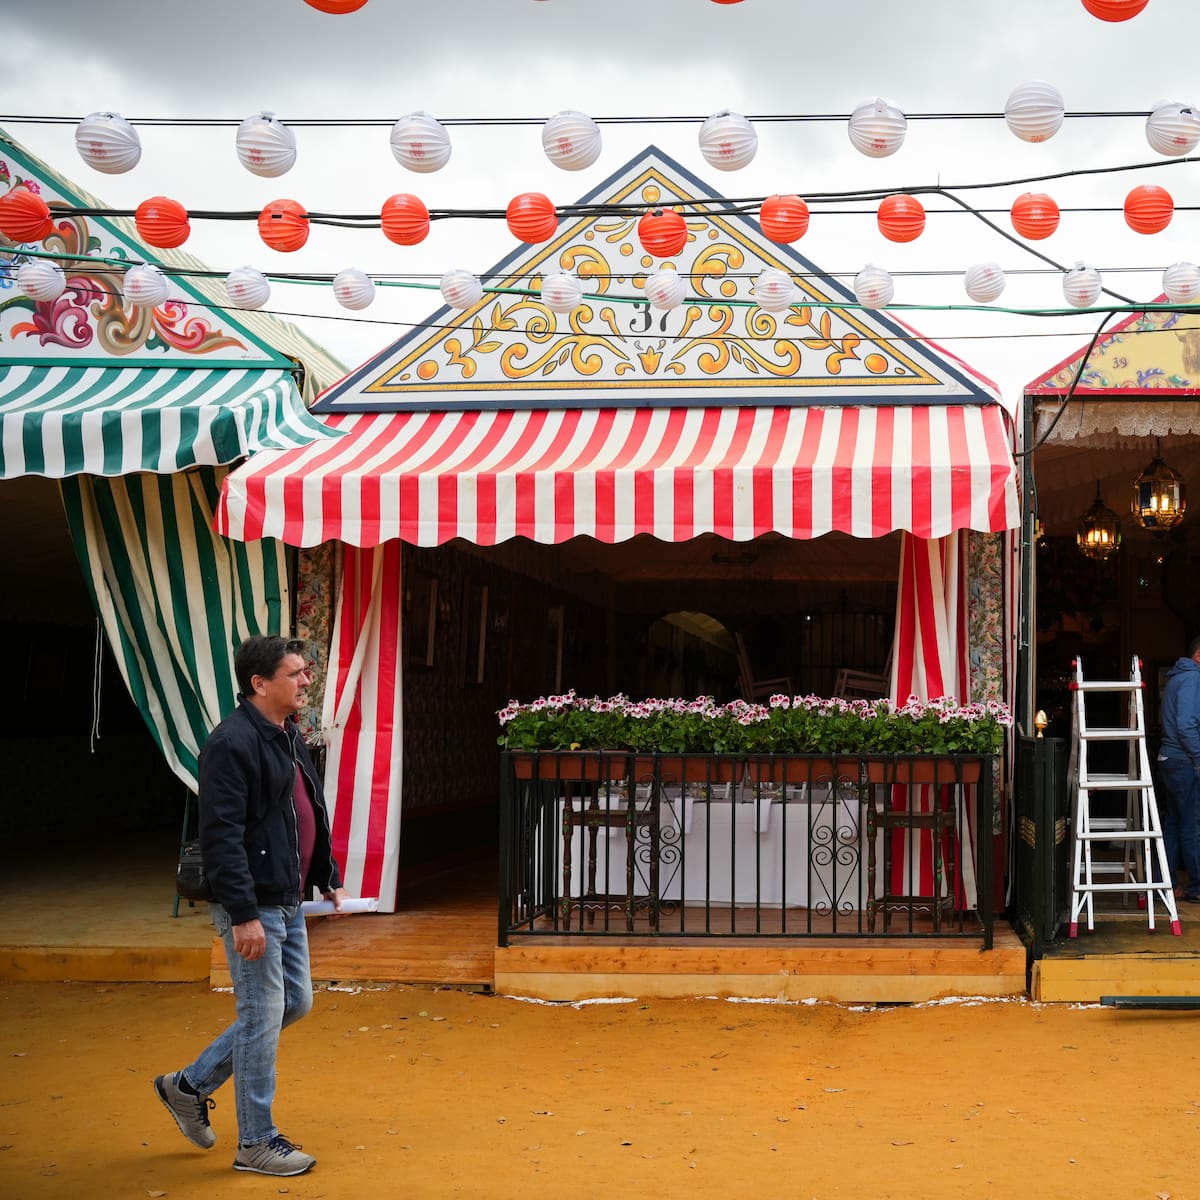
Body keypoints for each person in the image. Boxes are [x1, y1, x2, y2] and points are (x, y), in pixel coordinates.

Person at [154, 635, 345, 1177]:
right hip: (254, 904)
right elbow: (221, 836)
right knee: (261, 1017)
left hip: (283, 896)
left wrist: (324, 874)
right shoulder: (230, 743)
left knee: (294, 1005)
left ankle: (188, 1085)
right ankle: (255, 1142)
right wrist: (242, 915)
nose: (307, 680)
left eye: (305, 671)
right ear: (260, 684)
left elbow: (307, 808)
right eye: (295, 673)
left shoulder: (287, 735)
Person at [1157, 635, 1200, 904]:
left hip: (1168, 760)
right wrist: (1198, 758)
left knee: (1173, 824)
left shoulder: (1176, 676)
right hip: (1183, 761)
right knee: (1191, 826)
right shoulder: (1193, 678)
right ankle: (1196, 887)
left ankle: (1169, 884)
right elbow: (1186, 725)